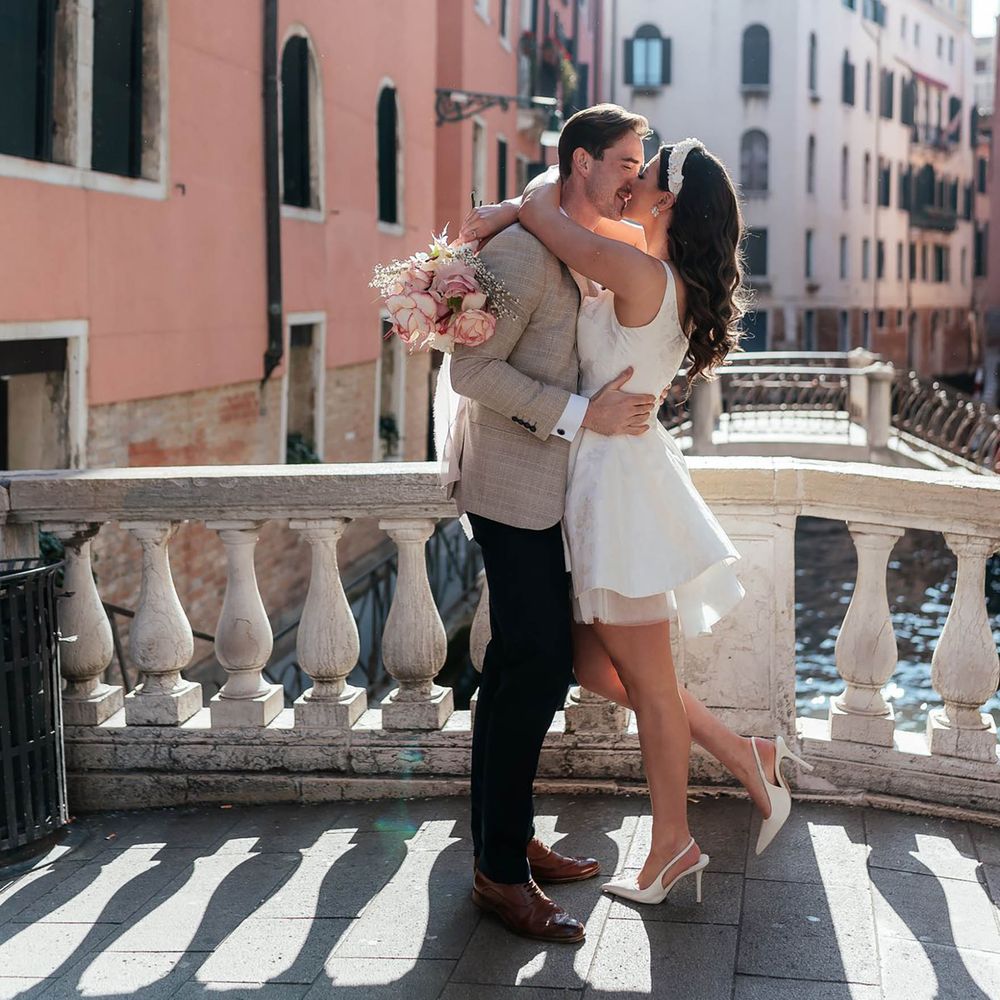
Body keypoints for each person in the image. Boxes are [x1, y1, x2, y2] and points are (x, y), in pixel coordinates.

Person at [458, 128, 813, 909]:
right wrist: (512, 211)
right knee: (583, 663)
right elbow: (567, 215)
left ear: (666, 198)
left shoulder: (633, 266)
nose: (629, 181)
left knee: (651, 688)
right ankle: (743, 754)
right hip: (602, 480)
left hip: (616, 488)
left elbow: (552, 218)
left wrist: (510, 208)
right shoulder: (651, 260)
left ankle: (671, 848)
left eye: (641, 170)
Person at [447, 104, 658, 943]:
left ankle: (506, 841)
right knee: (533, 667)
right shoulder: (524, 256)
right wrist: (583, 416)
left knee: (513, 667)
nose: (633, 179)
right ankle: (500, 875)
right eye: (622, 163)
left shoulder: (564, 240)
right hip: (508, 488)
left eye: (639, 165)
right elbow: (470, 370)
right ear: (579, 162)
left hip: (544, 492)